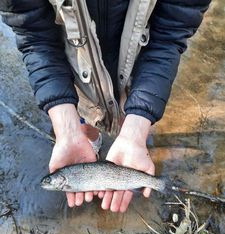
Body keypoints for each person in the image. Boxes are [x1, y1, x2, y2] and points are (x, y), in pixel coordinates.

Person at [0, 0, 211, 213]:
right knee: (86, 117)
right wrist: (66, 129)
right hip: (77, 69)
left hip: (140, 67)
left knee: (131, 112)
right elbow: (35, 37)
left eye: (50, 182)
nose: (46, 184)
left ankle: (132, 148)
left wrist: (137, 127)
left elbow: (170, 34)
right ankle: (88, 139)